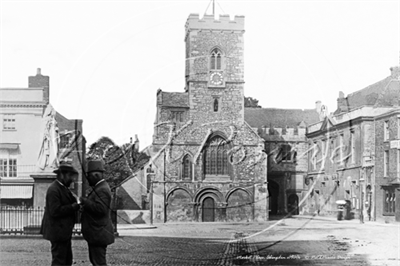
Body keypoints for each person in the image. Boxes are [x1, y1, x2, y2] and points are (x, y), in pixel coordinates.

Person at [40, 161, 80, 266]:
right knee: (59, 261)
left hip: (63, 232)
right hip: (58, 232)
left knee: (66, 260)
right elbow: (55, 211)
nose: (72, 178)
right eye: (69, 175)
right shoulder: (54, 189)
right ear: (62, 175)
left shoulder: (62, 188)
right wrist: (73, 207)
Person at [80, 159, 115, 266]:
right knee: (96, 262)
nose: (88, 180)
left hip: (98, 234)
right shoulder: (100, 188)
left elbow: (101, 209)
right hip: (96, 233)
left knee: (99, 263)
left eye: (88, 176)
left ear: (95, 175)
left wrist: (86, 202)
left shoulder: (102, 189)